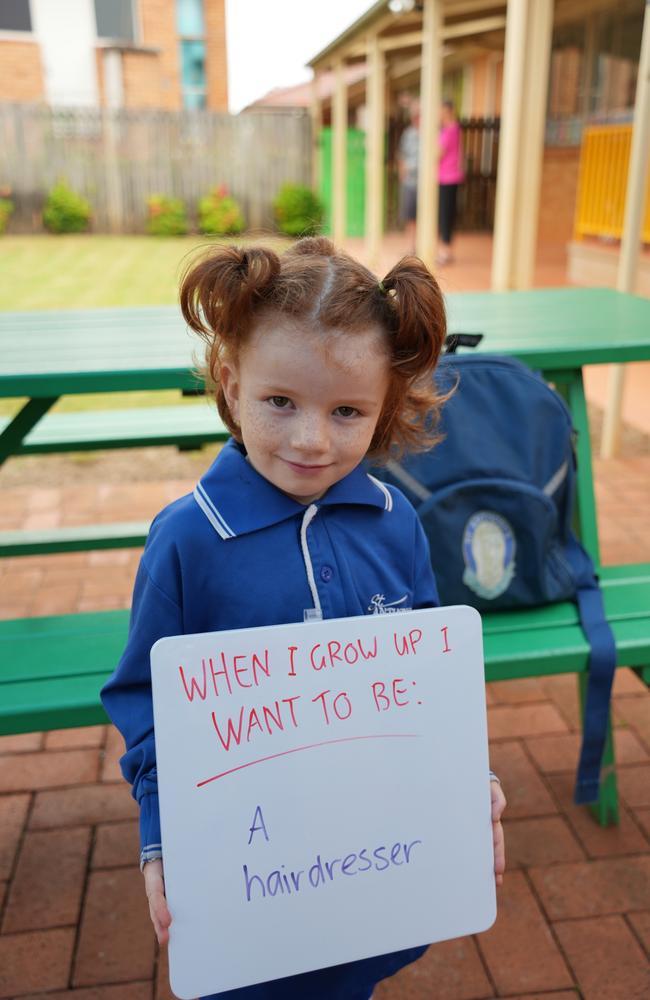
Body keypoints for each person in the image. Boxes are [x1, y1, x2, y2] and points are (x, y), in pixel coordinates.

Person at [101, 236, 506, 1000]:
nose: (312, 439)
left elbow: (429, 684)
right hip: (245, 886)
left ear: (385, 406)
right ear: (231, 380)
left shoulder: (396, 523)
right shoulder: (188, 540)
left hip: (368, 868)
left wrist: (465, 776)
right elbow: (146, 705)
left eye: (347, 410)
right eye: (280, 401)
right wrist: (161, 841)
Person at [438, 100, 464, 265]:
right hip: (446, 177)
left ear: (447, 111)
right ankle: (445, 249)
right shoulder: (451, 129)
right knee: (445, 214)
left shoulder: (450, 130)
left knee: (446, 215)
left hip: (448, 177)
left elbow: (438, 152)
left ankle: (446, 251)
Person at [397, 103, 420, 253]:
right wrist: (402, 173)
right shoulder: (408, 134)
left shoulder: (434, 133)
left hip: (427, 181)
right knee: (410, 216)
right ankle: (412, 246)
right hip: (410, 181)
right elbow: (402, 154)